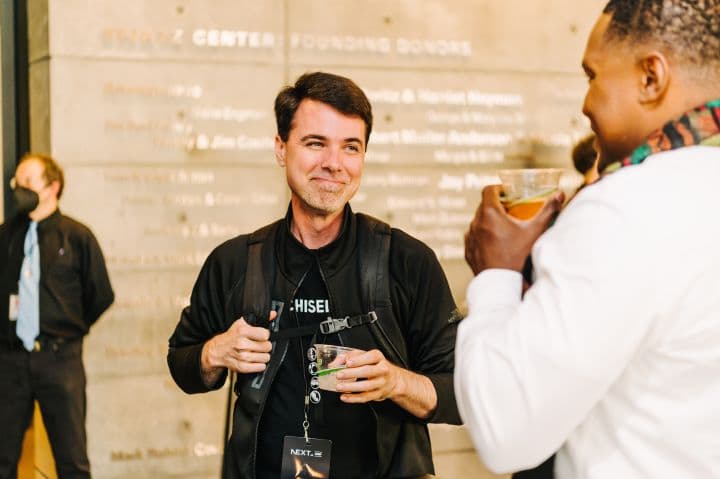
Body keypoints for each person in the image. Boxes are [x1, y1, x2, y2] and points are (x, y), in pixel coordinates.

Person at [457, 1, 720, 478]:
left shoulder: (625, 207)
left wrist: (497, 272)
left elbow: (503, 431)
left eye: (592, 76)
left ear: (650, 77)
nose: (586, 103)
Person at [167, 71, 461, 479]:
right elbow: (182, 363)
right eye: (315, 143)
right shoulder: (234, 261)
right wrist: (216, 352)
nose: (333, 164)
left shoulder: (408, 261)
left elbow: (461, 394)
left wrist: (395, 382)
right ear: (281, 148)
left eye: (351, 147)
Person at [0, 153, 115, 478]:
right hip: (10, 362)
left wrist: (68, 328)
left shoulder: (77, 236)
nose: (18, 189)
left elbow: (101, 294)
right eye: (16, 183)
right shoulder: (5, 236)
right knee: (3, 458)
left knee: (71, 460)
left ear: (52, 186)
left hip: (60, 360)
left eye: (27, 182)